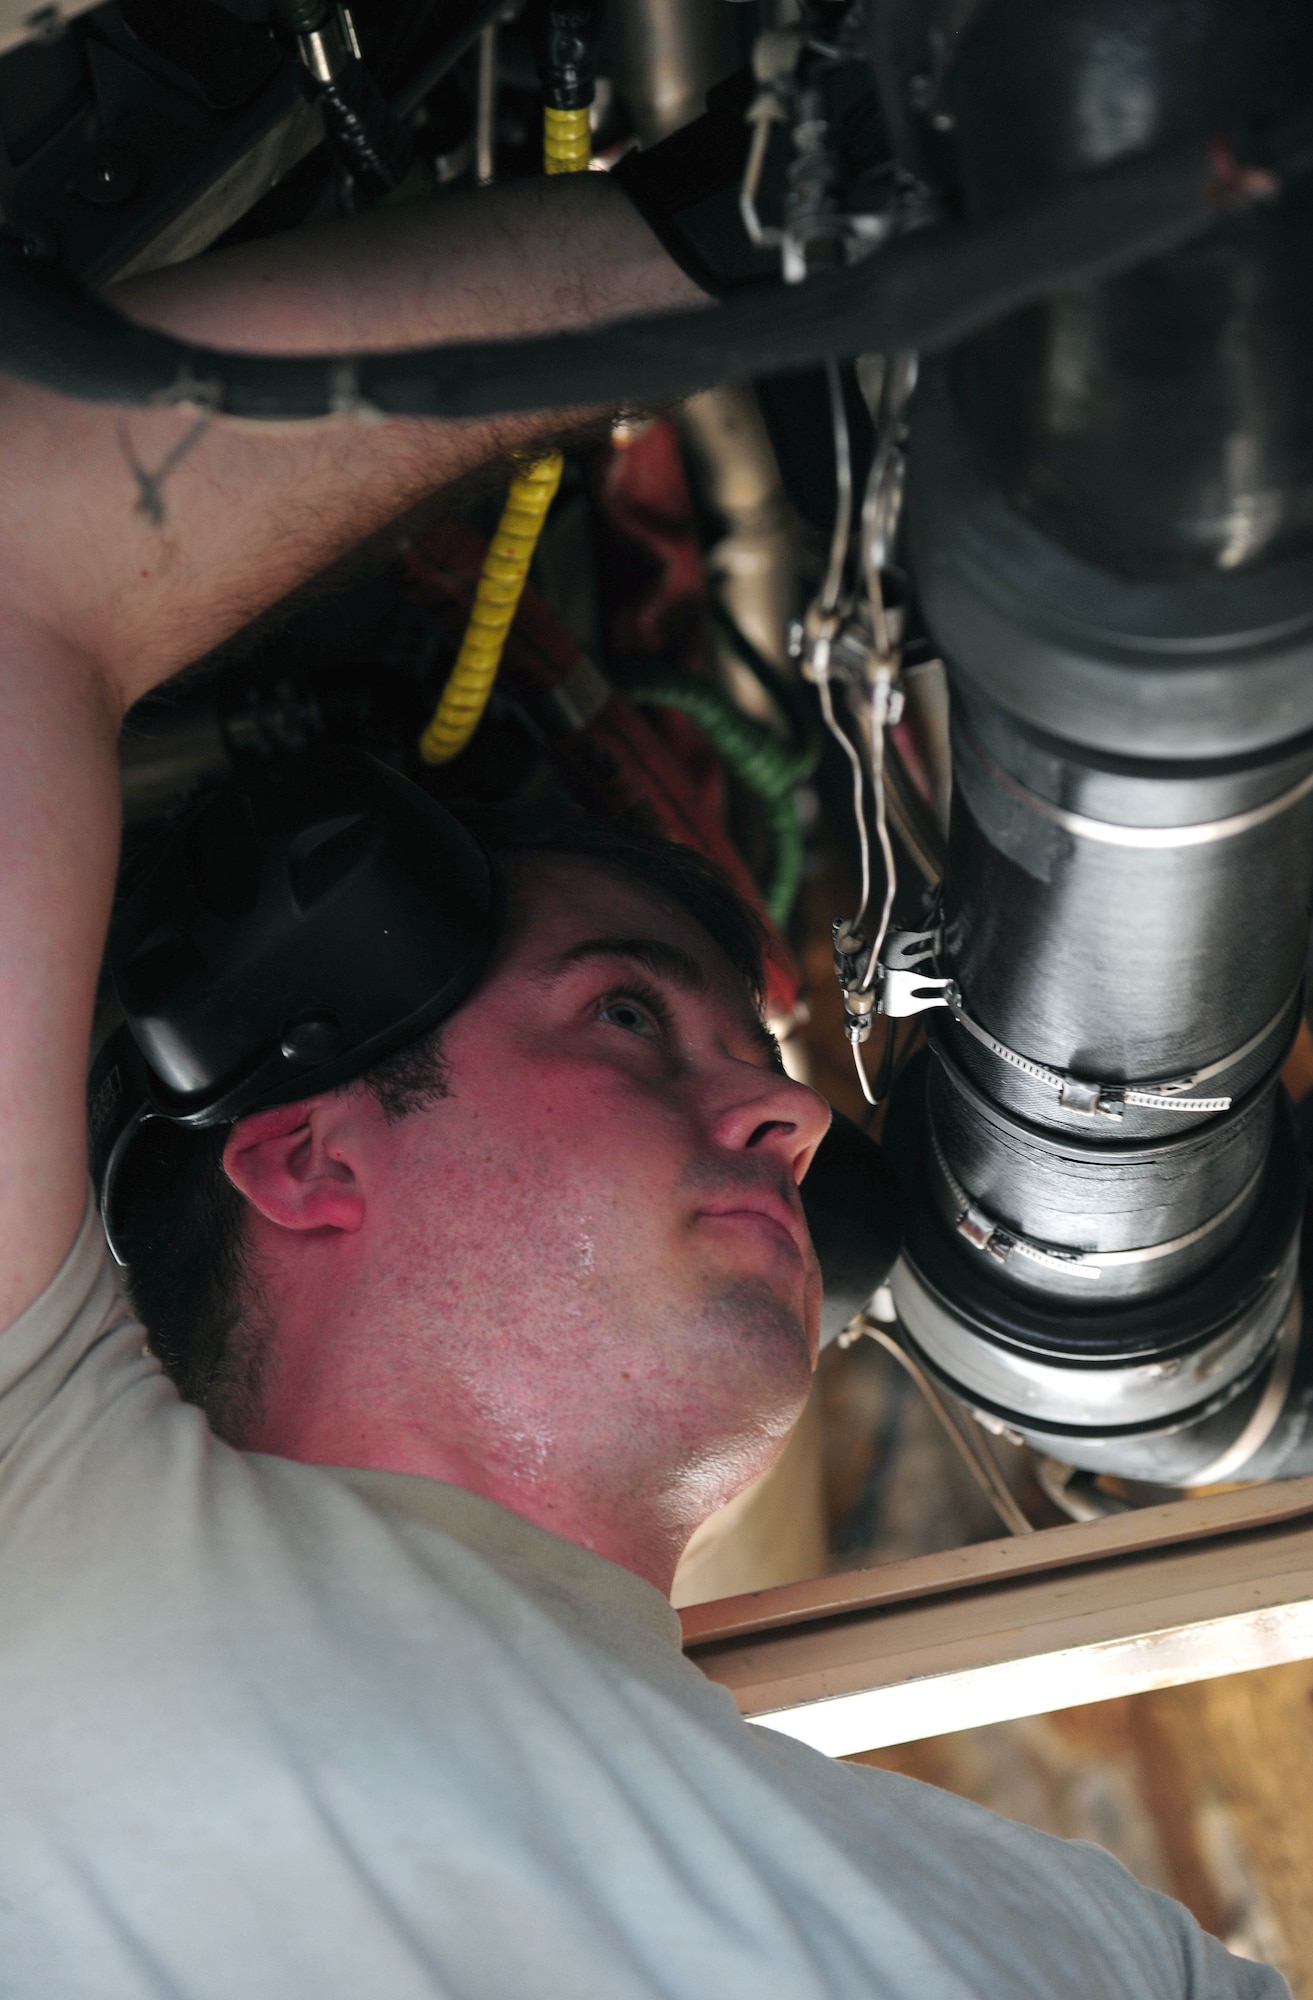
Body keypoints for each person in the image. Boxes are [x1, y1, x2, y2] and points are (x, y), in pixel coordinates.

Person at [0, 169, 1285, 1998]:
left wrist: (757, 222)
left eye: (643, 1023)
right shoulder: (40, 1535)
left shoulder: (1099, 1943)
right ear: (297, 1159)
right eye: (635, 1020)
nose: (783, 1116)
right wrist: (813, 194)